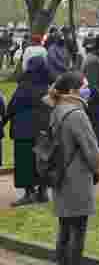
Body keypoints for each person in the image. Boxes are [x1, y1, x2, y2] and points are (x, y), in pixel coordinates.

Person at [49, 71, 99, 265]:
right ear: (72, 90)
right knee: (77, 232)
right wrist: (97, 171)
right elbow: (91, 150)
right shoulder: (76, 114)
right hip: (76, 178)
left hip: (60, 176)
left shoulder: (57, 108)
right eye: (84, 86)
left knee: (64, 231)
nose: (87, 89)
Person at [4, 56, 52, 205]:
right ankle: (43, 192)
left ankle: (29, 193)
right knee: (43, 161)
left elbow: (11, 107)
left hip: (23, 131)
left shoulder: (23, 86)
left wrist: (3, 122)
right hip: (43, 130)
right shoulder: (48, 87)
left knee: (25, 163)